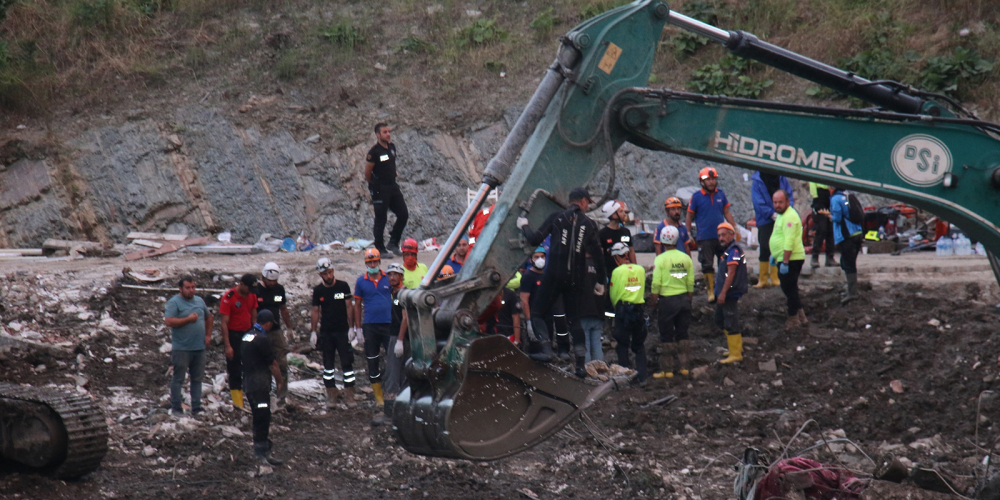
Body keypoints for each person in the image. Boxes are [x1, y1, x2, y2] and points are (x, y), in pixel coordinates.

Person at [517, 187, 607, 378]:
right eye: (587, 203)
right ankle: (581, 366)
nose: (587, 207)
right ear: (582, 201)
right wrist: (600, 281)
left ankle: (546, 350)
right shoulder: (589, 224)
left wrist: (524, 225)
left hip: (554, 274)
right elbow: (599, 256)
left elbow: (534, 239)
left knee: (538, 312)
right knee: (574, 319)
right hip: (577, 278)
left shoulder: (556, 217)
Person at [310, 257, 357, 410]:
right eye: (325, 274)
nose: (328, 276)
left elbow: (349, 307)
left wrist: (353, 328)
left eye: (330, 272)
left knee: (347, 363)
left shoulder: (343, 286)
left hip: (343, 331)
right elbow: (315, 311)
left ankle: (349, 393)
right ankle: (331, 393)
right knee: (328, 365)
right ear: (320, 275)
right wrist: (313, 332)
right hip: (327, 332)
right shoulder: (318, 291)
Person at [164, 276, 213, 417]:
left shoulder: (199, 301)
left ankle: (196, 407)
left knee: (197, 379)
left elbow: (209, 317)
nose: (191, 290)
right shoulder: (174, 303)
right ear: (181, 289)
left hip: (199, 347)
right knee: (178, 378)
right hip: (182, 348)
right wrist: (188, 319)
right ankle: (176, 407)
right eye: (188, 288)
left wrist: (208, 335)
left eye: (193, 287)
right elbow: (169, 321)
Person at [686, 167, 737, 303]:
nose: (711, 182)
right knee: (707, 265)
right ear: (702, 182)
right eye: (708, 179)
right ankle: (710, 291)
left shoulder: (721, 194)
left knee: (724, 263)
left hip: (721, 236)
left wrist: (734, 228)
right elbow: (689, 216)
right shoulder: (696, 197)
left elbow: (726, 212)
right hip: (704, 237)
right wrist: (688, 233)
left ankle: (721, 289)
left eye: (713, 179)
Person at [648, 226, 694, 378]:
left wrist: (654, 300)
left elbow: (656, 283)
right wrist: (689, 299)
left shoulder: (660, 259)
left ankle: (667, 371)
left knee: (666, 335)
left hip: (667, 301)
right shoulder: (686, 258)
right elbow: (690, 282)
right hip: (683, 299)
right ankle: (684, 367)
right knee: (683, 333)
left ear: (662, 240)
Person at [241, 309, 284, 466]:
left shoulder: (247, 336)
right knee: (262, 417)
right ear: (268, 324)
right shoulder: (262, 339)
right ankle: (261, 453)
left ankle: (263, 450)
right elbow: (272, 363)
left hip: (248, 383)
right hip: (259, 385)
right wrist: (280, 382)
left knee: (258, 416)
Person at [352, 248, 394, 410]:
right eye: (369, 262)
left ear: (379, 262)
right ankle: (379, 398)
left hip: (388, 324)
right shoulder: (361, 281)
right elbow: (357, 306)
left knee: (392, 360)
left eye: (375, 262)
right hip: (370, 326)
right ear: (365, 263)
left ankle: (391, 393)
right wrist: (357, 329)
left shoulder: (388, 279)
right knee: (372, 360)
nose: (372, 265)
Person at [365, 122, 408, 256]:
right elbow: (368, 172)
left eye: (389, 131)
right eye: (385, 132)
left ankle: (393, 242)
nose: (388, 134)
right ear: (378, 135)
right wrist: (374, 185)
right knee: (381, 218)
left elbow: (391, 164)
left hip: (392, 186)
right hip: (380, 188)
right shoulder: (374, 152)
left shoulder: (392, 148)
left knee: (403, 214)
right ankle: (379, 248)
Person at [254, 262, 293, 407]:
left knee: (281, 361)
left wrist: (289, 328)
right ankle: (264, 394)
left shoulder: (279, 289)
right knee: (262, 362)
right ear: (263, 277)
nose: (272, 283)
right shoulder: (256, 291)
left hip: (276, 331)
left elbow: (283, 309)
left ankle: (282, 395)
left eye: (274, 281)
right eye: (269, 280)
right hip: (260, 331)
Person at [608, 243, 647, 383]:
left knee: (622, 345)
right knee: (639, 345)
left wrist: (616, 309)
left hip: (623, 310)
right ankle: (642, 376)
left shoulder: (617, 272)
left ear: (618, 257)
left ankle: (625, 375)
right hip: (638, 309)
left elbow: (614, 294)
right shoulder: (640, 270)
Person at [770, 189, 808, 330]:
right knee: (789, 288)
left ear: (787, 201)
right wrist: (775, 255)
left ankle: (793, 318)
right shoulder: (782, 215)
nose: (777, 205)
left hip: (792, 259)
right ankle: (801, 316)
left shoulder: (789, 217)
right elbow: (779, 236)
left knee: (789, 288)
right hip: (785, 258)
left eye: (780, 202)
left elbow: (789, 241)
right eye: (775, 202)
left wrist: (785, 261)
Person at [220, 274, 258, 410]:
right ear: (242, 284)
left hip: (247, 333)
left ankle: (252, 399)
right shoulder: (229, 297)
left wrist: (256, 336)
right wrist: (228, 345)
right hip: (234, 335)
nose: (250, 293)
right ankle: (238, 403)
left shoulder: (252, 295)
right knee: (235, 370)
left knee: (251, 368)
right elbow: (224, 323)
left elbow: (254, 316)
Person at [751, 173, 793, 289]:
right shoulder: (758, 181)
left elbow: (789, 195)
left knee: (778, 246)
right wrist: (770, 213)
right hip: (765, 219)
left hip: (781, 216)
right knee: (765, 246)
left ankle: (775, 277)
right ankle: (763, 279)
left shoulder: (781, 178)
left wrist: (786, 212)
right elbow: (757, 202)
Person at [715, 222, 748, 364]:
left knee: (731, 320)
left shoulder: (733, 251)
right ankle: (734, 348)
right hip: (726, 293)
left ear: (731, 235)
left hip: (730, 293)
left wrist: (723, 293)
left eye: (724, 235)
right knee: (720, 319)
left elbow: (731, 272)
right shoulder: (727, 250)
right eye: (719, 236)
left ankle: (736, 353)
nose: (721, 238)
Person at [830, 186, 864, 304]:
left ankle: (852, 293)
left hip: (847, 235)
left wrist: (830, 217)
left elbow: (838, 218)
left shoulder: (835, 199)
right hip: (858, 232)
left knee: (848, 263)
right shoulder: (848, 196)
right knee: (848, 262)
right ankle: (851, 290)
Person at [387, 263, 409, 401]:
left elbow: (405, 318)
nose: (392, 277)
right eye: (390, 274)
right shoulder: (393, 293)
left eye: (395, 274)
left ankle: (391, 407)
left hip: (401, 337)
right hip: (397, 335)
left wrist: (399, 340)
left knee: (393, 372)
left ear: (401, 276)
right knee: (402, 372)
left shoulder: (403, 294)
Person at [578, 255, 605, 363]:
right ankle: (600, 372)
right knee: (597, 345)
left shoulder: (578, 265)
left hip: (583, 311)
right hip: (598, 311)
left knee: (585, 346)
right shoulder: (599, 266)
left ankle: (589, 374)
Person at [599, 199, 636, 274]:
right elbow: (599, 256)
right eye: (621, 211)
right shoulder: (602, 234)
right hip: (610, 274)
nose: (624, 214)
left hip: (626, 273)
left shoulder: (626, 232)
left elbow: (631, 251)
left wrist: (635, 269)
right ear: (613, 215)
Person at [809, 182, 838, 268]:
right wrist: (815, 196)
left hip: (830, 194)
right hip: (820, 196)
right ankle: (814, 257)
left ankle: (830, 257)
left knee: (830, 230)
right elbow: (812, 180)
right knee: (821, 229)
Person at [497, 272, 523, 346]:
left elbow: (516, 317)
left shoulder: (510, 294)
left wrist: (517, 340)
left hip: (507, 335)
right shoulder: (486, 294)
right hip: (491, 334)